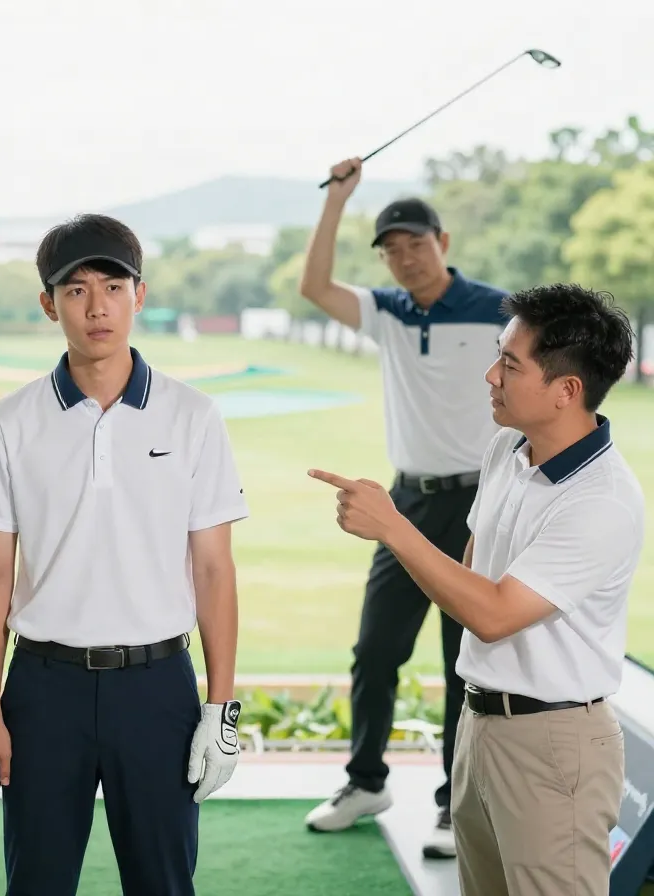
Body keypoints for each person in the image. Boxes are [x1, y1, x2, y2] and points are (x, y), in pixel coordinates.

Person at [309, 283, 642, 896]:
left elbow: (492, 613)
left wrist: (393, 527)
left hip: (553, 745)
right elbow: (472, 574)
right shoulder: (506, 448)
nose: (491, 376)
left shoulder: (602, 501)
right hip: (480, 725)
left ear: (567, 390)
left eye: (511, 365)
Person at [0, 213, 249, 895]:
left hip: (157, 688)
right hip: (42, 691)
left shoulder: (193, 415)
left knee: (163, 883)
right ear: (48, 304)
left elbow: (214, 570)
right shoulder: (9, 421)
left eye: (113, 287)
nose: (97, 307)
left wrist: (221, 710)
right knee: (37, 883)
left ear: (139, 296)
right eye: (76, 290)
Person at [298, 157, 512, 857]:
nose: (404, 258)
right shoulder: (388, 313)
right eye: (391, 250)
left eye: (415, 243)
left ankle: (456, 804)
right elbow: (314, 286)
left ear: (442, 242)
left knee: (461, 661)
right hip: (407, 500)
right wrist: (338, 199)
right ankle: (366, 782)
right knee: (375, 650)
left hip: (479, 503)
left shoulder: (500, 311)